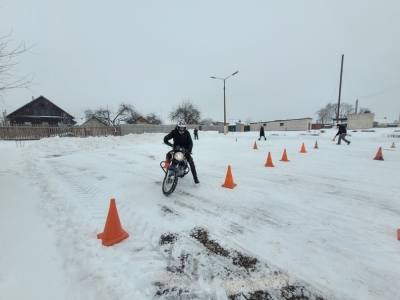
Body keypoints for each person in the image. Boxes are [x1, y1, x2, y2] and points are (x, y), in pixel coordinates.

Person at [164, 120, 199, 184]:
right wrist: (171, 144)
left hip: (185, 150)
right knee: (168, 155)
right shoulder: (174, 132)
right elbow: (166, 139)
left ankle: (195, 178)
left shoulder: (187, 133)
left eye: (183, 128)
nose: (182, 129)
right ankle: (168, 173)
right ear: (178, 127)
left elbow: (190, 142)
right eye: (181, 127)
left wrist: (189, 150)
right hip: (176, 150)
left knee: (191, 162)